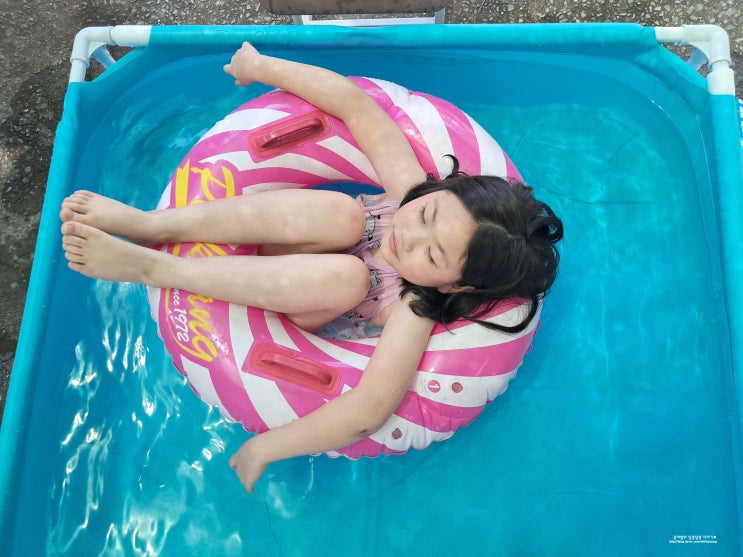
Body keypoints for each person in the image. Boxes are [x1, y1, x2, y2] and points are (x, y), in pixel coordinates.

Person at [60, 42, 563, 493]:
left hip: (288, 309)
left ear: (456, 286)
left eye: (432, 257)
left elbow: (368, 410)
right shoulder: (409, 189)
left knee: (349, 278)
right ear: (441, 190)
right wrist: (261, 65)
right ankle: (151, 225)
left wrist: (268, 447)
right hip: (276, 241)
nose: (410, 236)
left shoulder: (415, 309)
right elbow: (354, 104)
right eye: (428, 215)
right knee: (345, 215)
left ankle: (150, 268)